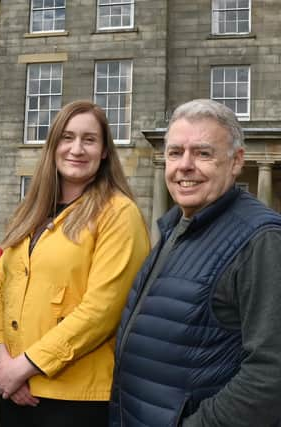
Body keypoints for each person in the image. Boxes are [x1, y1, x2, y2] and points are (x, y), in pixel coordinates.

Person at [110, 99, 281, 427]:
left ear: (236, 162)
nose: (184, 166)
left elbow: (270, 373)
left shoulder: (261, 239)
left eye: (203, 153)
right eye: (175, 153)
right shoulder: (178, 224)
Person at [0, 100, 150, 426]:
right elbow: (0, 288)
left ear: (104, 151)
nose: (77, 148)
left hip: (76, 398)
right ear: (53, 146)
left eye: (89, 139)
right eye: (67, 137)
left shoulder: (118, 213)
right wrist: (4, 363)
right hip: (15, 389)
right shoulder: (29, 212)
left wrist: (25, 366)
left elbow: (102, 311)